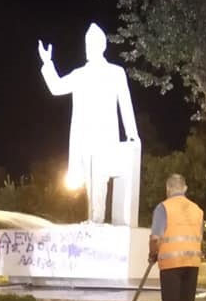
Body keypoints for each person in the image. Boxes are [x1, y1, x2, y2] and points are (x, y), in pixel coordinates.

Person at [37, 23, 139, 222]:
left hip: (105, 135)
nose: (88, 47)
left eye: (92, 43)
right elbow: (56, 87)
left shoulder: (115, 72)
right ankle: (95, 219)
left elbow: (125, 103)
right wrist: (48, 63)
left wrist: (131, 132)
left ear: (102, 46)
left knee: (100, 177)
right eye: (87, 44)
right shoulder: (80, 74)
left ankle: (96, 219)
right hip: (83, 136)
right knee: (90, 180)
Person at [149, 174, 204, 301]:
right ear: (185, 188)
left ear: (168, 188)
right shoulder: (197, 210)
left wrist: (152, 253)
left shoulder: (163, 208)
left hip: (171, 263)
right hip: (192, 262)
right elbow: (200, 236)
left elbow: (155, 238)